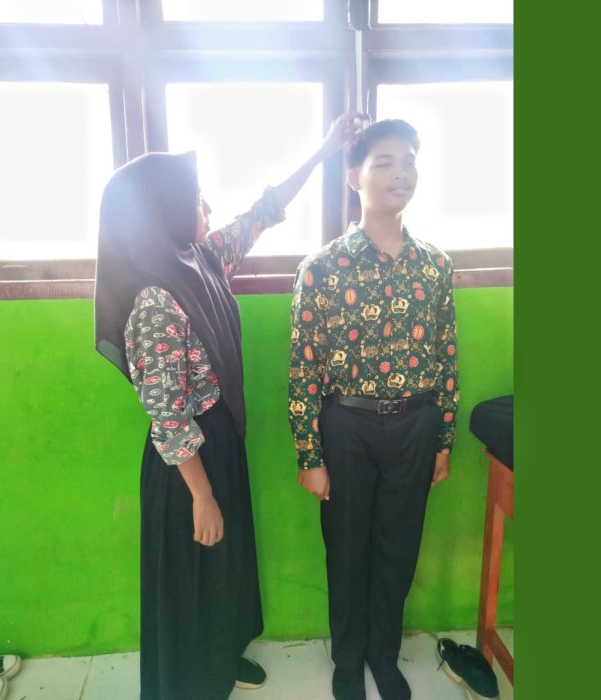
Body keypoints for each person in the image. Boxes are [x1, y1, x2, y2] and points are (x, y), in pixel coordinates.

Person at [94, 112, 360, 700]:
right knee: (192, 574)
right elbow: (168, 418)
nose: (209, 208)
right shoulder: (155, 301)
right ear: (162, 212)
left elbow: (263, 211)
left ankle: (219, 659)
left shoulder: (201, 261)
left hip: (216, 439)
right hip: (185, 465)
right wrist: (202, 494)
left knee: (220, 568)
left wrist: (322, 152)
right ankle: (191, 682)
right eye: (196, 200)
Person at [288, 119, 459, 700]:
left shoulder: (435, 266)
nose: (400, 172)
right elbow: (303, 368)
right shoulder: (320, 269)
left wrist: (443, 441)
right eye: (384, 162)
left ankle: (384, 657)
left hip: (416, 424)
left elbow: (447, 356)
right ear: (354, 176)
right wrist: (310, 455)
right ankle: (347, 660)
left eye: (408, 160)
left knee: (397, 549)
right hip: (347, 425)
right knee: (346, 549)